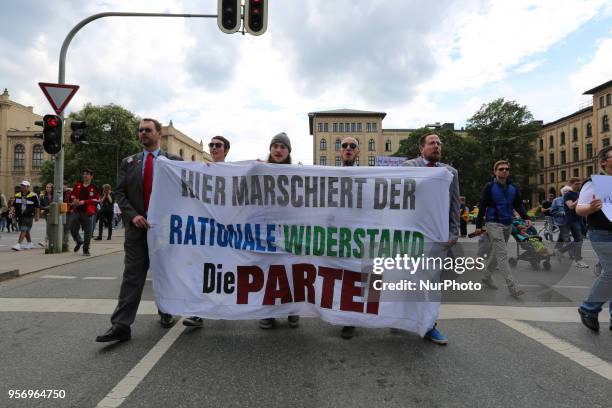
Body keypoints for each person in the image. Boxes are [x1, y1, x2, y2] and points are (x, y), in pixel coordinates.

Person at [96, 118, 182, 342]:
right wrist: (133, 215)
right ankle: (121, 325)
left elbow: (187, 190)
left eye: (147, 130)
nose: (143, 133)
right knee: (132, 275)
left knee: (165, 273)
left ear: (159, 133)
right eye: (140, 130)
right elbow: (120, 193)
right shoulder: (129, 162)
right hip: (137, 229)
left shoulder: (174, 161)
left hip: (164, 229)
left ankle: (166, 310)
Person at [402, 132, 460, 345]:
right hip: (410, 235)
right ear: (421, 148)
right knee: (405, 280)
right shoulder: (408, 167)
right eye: (432, 143)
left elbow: (454, 204)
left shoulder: (450, 172)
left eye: (439, 143)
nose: (436, 146)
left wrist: (454, 232)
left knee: (430, 283)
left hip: (436, 237)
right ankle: (400, 319)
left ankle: (429, 326)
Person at [183, 135, 231, 329]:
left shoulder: (234, 172)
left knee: (225, 271)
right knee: (201, 271)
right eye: (211, 145)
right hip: (203, 230)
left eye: (217, 145)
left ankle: (226, 305)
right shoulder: (199, 170)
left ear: (226, 150)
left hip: (227, 231)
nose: (213, 148)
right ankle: (197, 312)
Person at [258, 132, 300, 330]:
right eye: (275, 146)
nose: (278, 150)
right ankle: (269, 313)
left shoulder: (299, 173)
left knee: (291, 272)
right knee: (268, 272)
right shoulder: (259, 170)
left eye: (283, 147)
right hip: (266, 230)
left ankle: (292, 310)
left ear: (288, 151)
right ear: (270, 149)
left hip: (291, 230)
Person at [474, 160, 529, 298]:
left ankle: (486, 277)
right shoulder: (489, 187)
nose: (504, 171)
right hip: (493, 224)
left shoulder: (513, 187)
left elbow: (518, 204)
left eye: (506, 169)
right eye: (500, 169)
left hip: (508, 224)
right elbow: (482, 207)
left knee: (496, 254)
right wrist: (478, 226)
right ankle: (513, 287)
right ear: (495, 172)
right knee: (502, 255)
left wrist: (526, 216)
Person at [576, 145, 612, 332]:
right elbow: (579, 208)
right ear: (604, 161)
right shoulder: (593, 182)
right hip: (602, 232)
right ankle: (588, 308)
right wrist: (591, 208)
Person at [337, 136, 360, 339]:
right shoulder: (328, 175)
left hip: (359, 235)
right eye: (344, 146)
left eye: (353, 146)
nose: (348, 148)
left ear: (357, 152)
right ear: (340, 151)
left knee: (357, 277)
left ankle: (352, 319)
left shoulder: (367, 175)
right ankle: (344, 316)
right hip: (336, 235)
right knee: (339, 278)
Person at [555, 177, 589, 268]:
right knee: (579, 239)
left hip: (580, 219)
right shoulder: (568, 194)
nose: (579, 185)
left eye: (579, 183)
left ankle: (560, 251)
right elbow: (571, 206)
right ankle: (578, 260)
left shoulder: (579, 193)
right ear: (571, 184)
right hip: (572, 219)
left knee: (579, 240)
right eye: (576, 184)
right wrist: (579, 199)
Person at [69, 169, 100, 256]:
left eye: (87, 174)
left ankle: (86, 249)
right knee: (72, 228)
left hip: (87, 212)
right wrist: (74, 199)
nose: (85, 175)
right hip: (76, 211)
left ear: (91, 176)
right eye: (84, 174)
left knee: (88, 232)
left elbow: (96, 200)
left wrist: (84, 202)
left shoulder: (94, 188)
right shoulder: (77, 185)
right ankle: (79, 241)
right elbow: (72, 194)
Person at [11, 181, 40, 251]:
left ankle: (18, 244)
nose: (23, 187)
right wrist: (11, 213)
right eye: (22, 185)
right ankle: (30, 243)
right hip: (20, 215)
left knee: (24, 229)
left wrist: (37, 215)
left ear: (28, 187)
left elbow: (37, 206)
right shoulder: (17, 195)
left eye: (24, 186)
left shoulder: (33, 195)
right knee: (26, 230)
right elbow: (13, 206)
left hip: (29, 215)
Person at [38, 183, 54, 248]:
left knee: (52, 228)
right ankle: (46, 241)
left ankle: (49, 241)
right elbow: (40, 206)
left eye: (49, 187)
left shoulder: (56, 195)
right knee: (49, 228)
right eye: (47, 187)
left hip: (55, 213)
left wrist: (52, 207)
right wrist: (46, 207)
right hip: (47, 214)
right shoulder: (43, 196)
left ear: (52, 188)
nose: (47, 188)